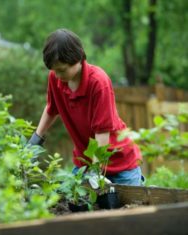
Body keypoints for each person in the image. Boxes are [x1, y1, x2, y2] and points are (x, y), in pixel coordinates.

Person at [28, 29, 144, 186]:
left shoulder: (98, 83)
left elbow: (102, 133)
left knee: (132, 206)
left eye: (62, 70)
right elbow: (51, 108)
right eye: (54, 70)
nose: (57, 75)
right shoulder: (56, 79)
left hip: (120, 165)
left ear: (77, 58)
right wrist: (34, 141)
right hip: (85, 164)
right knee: (73, 202)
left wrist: (95, 173)